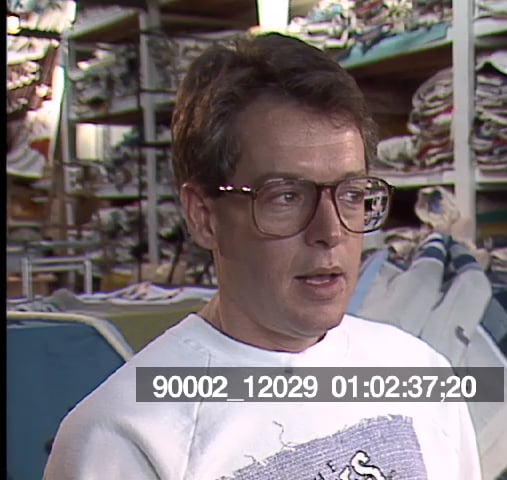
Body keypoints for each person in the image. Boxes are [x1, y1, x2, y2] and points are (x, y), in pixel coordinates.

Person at [44, 33, 481, 479]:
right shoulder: (120, 438)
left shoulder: (419, 373)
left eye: (351, 194)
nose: (330, 232)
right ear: (203, 216)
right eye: (286, 196)